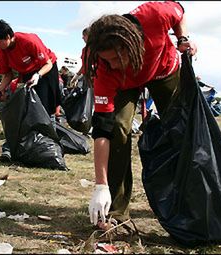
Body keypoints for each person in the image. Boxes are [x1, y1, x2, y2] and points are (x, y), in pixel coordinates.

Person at [84, 1, 197, 230]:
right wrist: (100, 185)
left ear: (132, 42)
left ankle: (193, 201)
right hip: (125, 85)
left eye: (117, 57)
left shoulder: (155, 15)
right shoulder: (103, 68)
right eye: (108, 61)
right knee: (117, 128)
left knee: (182, 129)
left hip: (163, 70)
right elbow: (102, 130)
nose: (113, 65)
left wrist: (183, 38)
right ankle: (115, 210)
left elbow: (179, 10)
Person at [0, 19, 62, 161]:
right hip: (27, 73)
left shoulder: (29, 40)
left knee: (46, 108)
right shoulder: (2, 52)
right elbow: (8, 74)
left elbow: (47, 63)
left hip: (46, 70)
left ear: (8, 36)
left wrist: (38, 75)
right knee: (26, 109)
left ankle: (51, 148)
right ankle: (28, 146)